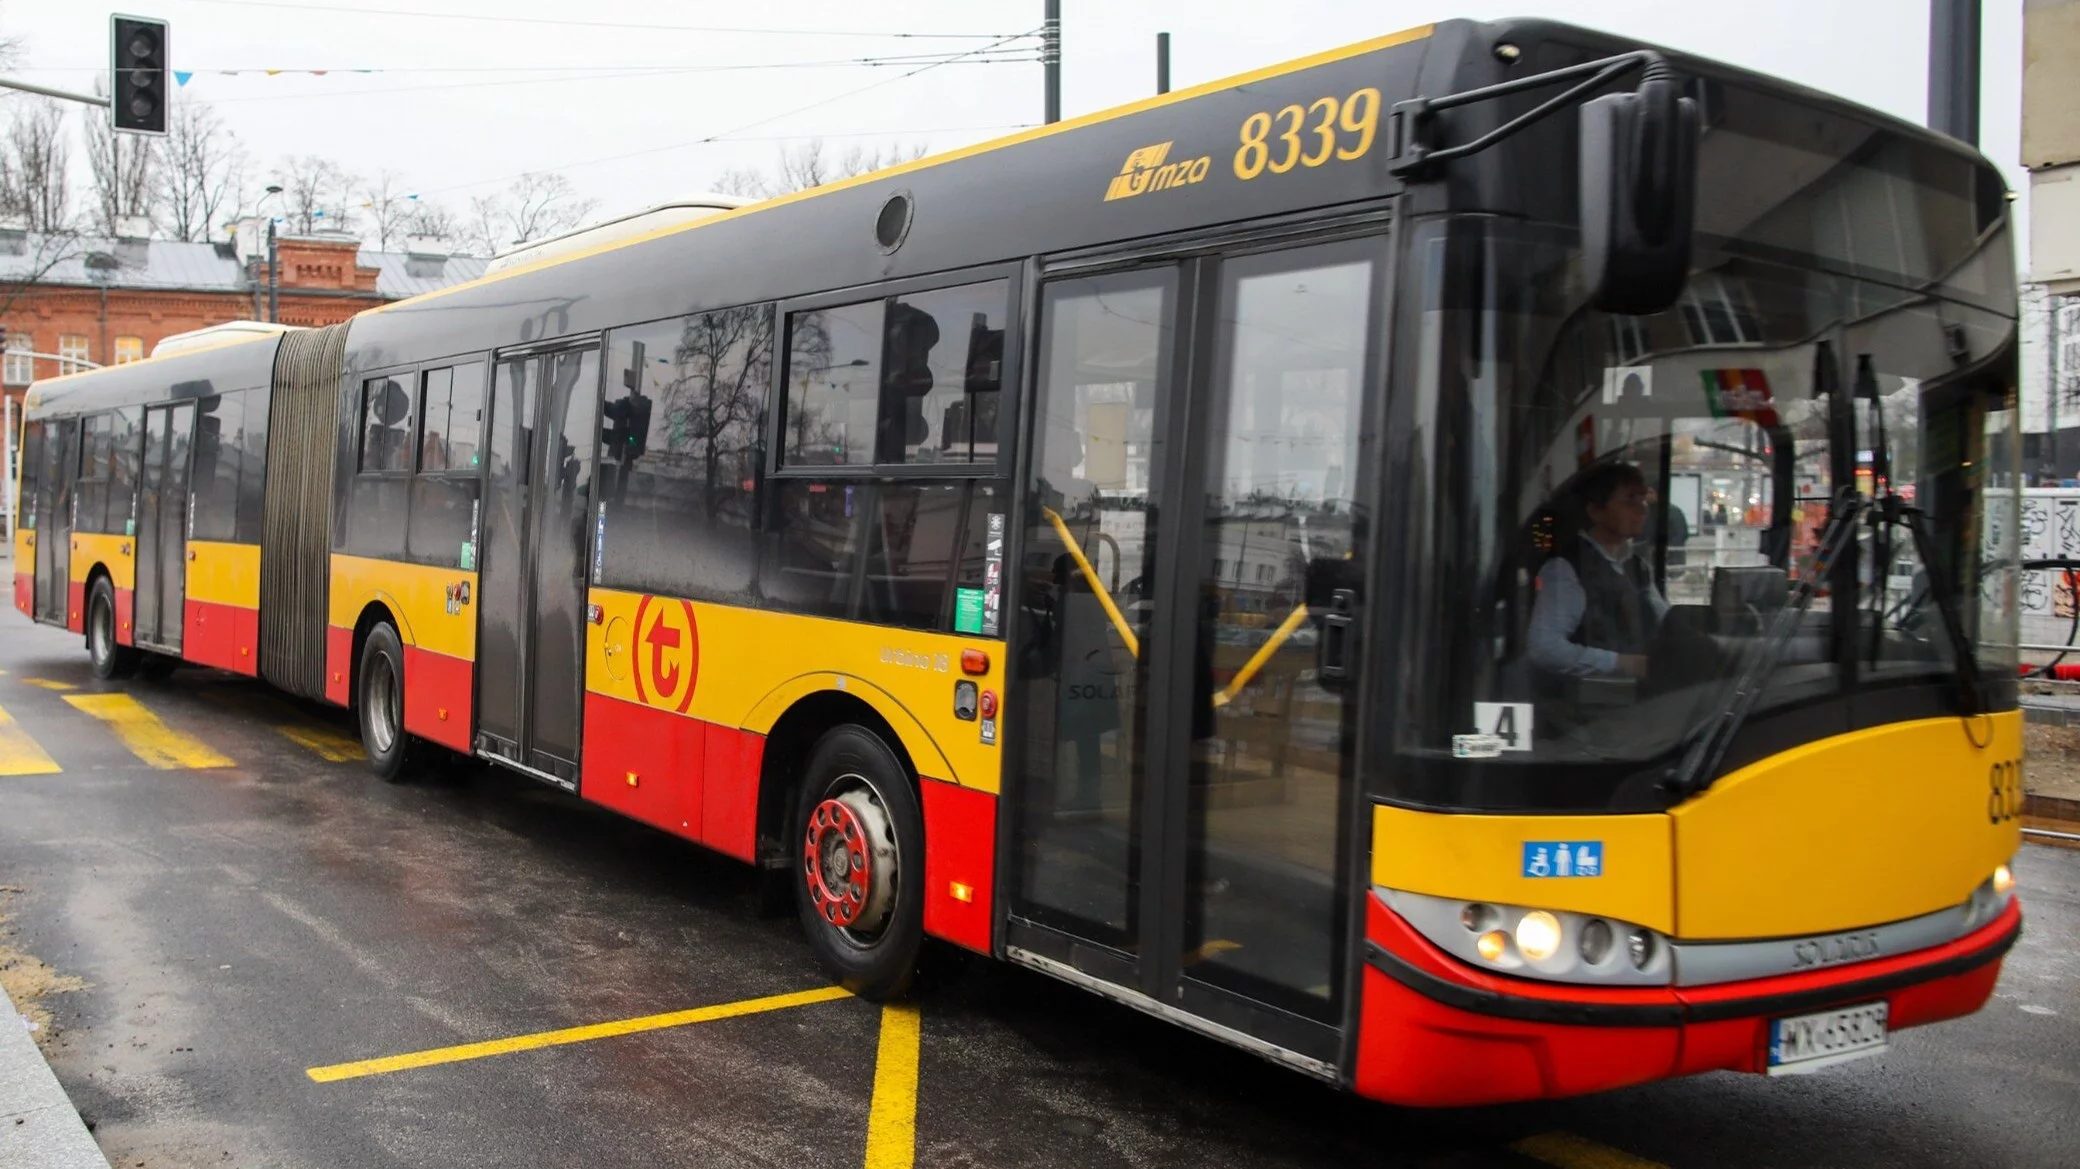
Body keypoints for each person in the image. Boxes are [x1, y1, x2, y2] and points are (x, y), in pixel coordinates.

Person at [1528, 461, 1669, 680]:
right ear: (1595, 511)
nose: (1642, 509)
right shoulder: (1566, 568)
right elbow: (1545, 648)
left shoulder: (1637, 567)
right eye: (1629, 500)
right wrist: (1619, 663)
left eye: (1643, 499)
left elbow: (1664, 620)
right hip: (1590, 704)